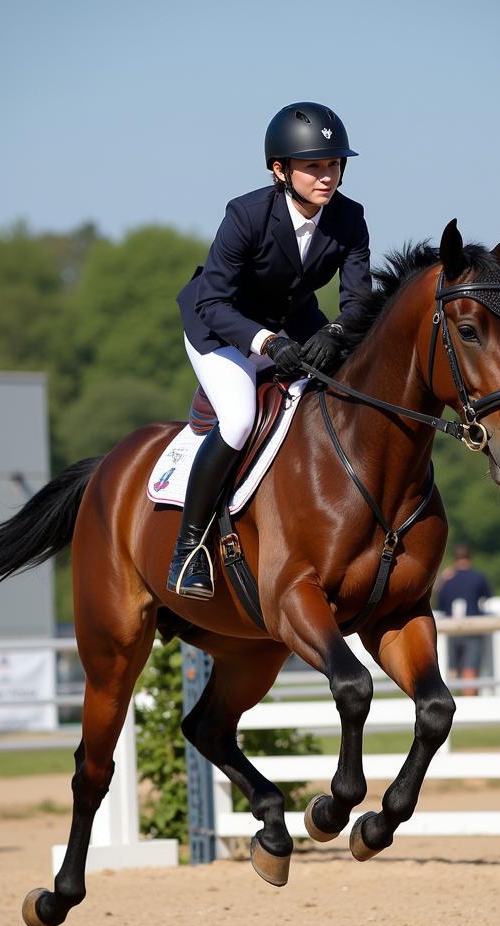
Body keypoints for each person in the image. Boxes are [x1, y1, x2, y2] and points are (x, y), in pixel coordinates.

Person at [168, 101, 371, 600]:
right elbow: (215, 299)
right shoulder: (246, 214)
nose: (327, 177)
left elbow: (360, 302)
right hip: (221, 327)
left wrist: (338, 332)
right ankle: (188, 549)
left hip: (295, 324)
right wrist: (264, 343)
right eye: (314, 166)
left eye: (334, 164)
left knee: (350, 391)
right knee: (237, 419)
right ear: (280, 170)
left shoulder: (350, 218)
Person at [436, 545, 492, 695]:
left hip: (452, 628)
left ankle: (455, 699)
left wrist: (443, 578)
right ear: (470, 557)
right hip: (472, 627)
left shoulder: (447, 579)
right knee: (470, 668)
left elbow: (439, 604)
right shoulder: (478, 577)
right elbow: (487, 598)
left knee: (453, 667)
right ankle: (470, 702)